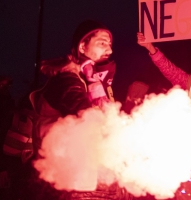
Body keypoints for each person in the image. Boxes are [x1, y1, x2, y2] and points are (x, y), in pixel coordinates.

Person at [29, 20, 129, 200]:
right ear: (82, 47)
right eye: (102, 43)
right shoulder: (68, 78)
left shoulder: (96, 84)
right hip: (70, 183)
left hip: (88, 182)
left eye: (110, 44)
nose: (109, 50)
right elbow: (87, 117)